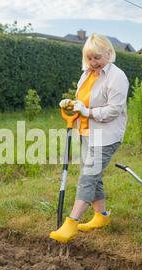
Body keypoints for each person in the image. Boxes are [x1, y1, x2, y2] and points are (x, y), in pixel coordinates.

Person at [49, 33, 129, 243]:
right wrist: (71, 104)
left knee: (88, 177)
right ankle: (100, 217)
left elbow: (114, 110)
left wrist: (87, 112)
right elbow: (82, 101)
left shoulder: (117, 77)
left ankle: (71, 223)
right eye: (90, 58)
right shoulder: (87, 74)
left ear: (109, 53)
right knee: (94, 176)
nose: (94, 62)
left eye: (97, 57)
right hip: (86, 132)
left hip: (107, 136)